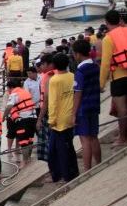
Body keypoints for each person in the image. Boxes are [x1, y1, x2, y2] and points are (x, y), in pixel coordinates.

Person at [99, 10, 127, 147]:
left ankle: (123, 139)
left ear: (106, 22)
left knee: (122, 110)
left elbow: (105, 63)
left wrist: (101, 84)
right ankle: (123, 136)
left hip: (119, 77)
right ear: (119, 20)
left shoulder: (108, 38)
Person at [47, 53, 79, 183]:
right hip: (71, 116)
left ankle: (65, 176)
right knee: (68, 147)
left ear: (54, 65)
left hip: (59, 120)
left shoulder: (54, 80)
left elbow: (53, 102)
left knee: (57, 151)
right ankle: (70, 172)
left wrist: (51, 120)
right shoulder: (72, 76)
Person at [72, 39, 101, 171]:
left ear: (78, 54)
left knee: (85, 140)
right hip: (95, 105)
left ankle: (87, 169)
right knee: (94, 137)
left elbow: (78, 93)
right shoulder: (95, 66)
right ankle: (99, 163)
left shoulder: (80, 71)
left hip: (83, 108)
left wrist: (73, 114)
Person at [3, 78, 37, 167]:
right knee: (30, 139)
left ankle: (24, 161)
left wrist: (4, 116)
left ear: (11, 87)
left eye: (8, 89)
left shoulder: (14, 94)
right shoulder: (25, 92)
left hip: (23, 119)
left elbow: (9, 106)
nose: (8, 91)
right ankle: (28, 159)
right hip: (33, 118)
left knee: (23, 141)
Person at [36, 53, 56, 163]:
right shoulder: (61, 74)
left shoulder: (49, 77)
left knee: (49, 144)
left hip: (49, 113)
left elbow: (46, 100)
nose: (41, 67)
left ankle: (54, 171)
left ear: (49, 64)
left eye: (42, 64)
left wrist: (39, 118)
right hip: (54, 111)